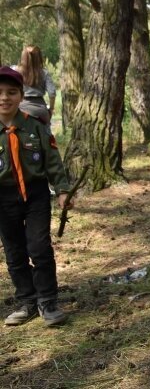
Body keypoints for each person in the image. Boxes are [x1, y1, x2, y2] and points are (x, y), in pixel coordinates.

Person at [0, 66, 71, 327]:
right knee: (14, 252)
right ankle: (27, 300)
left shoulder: (36, 126)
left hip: (35, 195)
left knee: (39, 248)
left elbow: (52, 161)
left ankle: (48, 300)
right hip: (3, 200)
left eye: (11, 92)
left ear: (21, 95)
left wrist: (62, 190)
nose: (4, 98)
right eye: (0, 93)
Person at [14, 46, 57, 125]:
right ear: (39, 57)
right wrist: (51, 109)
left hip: (20, 109)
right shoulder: (44, 73)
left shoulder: (15, 71)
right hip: (40, 110)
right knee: (44, 136)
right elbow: (52, 93)